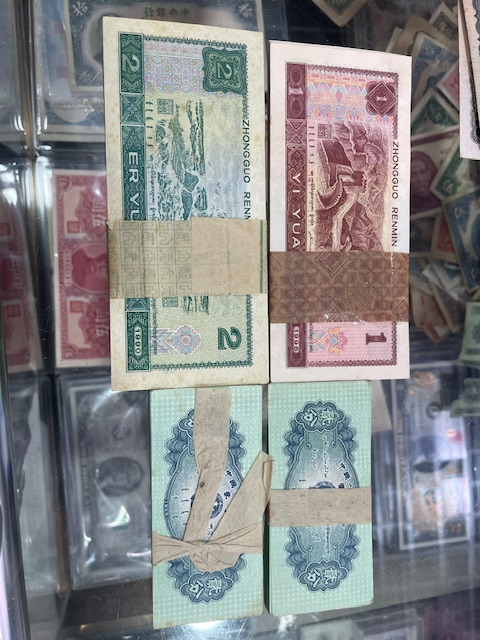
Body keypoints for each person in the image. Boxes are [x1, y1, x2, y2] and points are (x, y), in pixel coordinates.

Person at [411, 151, 441, 215]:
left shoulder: (440, 199)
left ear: (430, 173)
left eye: (423, 172)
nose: (420, 179)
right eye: (413, 175)